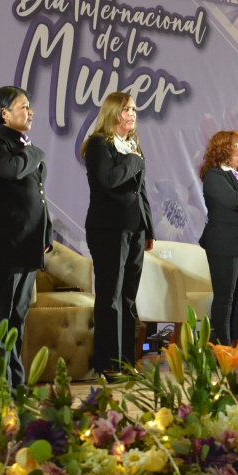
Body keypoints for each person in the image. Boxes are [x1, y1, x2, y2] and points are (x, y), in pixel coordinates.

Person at [0, 86, 51, 385]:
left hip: (27, 244)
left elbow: (37, 196)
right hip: (1, 245)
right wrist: (36, 151)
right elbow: (11, 169)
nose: (30, 112)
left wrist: (45, 234)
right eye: (24, 106)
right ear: (4, 113)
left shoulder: (21, 144)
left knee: (17, 316)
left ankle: (15, 384)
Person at [82, 92, 155, 377]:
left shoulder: (133, 146)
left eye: (134, 109)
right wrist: (134, 161)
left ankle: (126, 362)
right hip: (108, 228)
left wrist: (148, 227)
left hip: (135, 227)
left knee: (128, 298)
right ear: (113, 112)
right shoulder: (99, 144)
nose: (132, 114)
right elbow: (108, 180)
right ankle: (108, 364)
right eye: (126, 109)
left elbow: (141, 191)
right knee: (110, 297)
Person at [198, 130, 238, 345]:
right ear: (224, 149)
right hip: (224, 243)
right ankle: (222, 348)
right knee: (225, 298)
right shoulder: (214, 175)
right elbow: (234, 200)